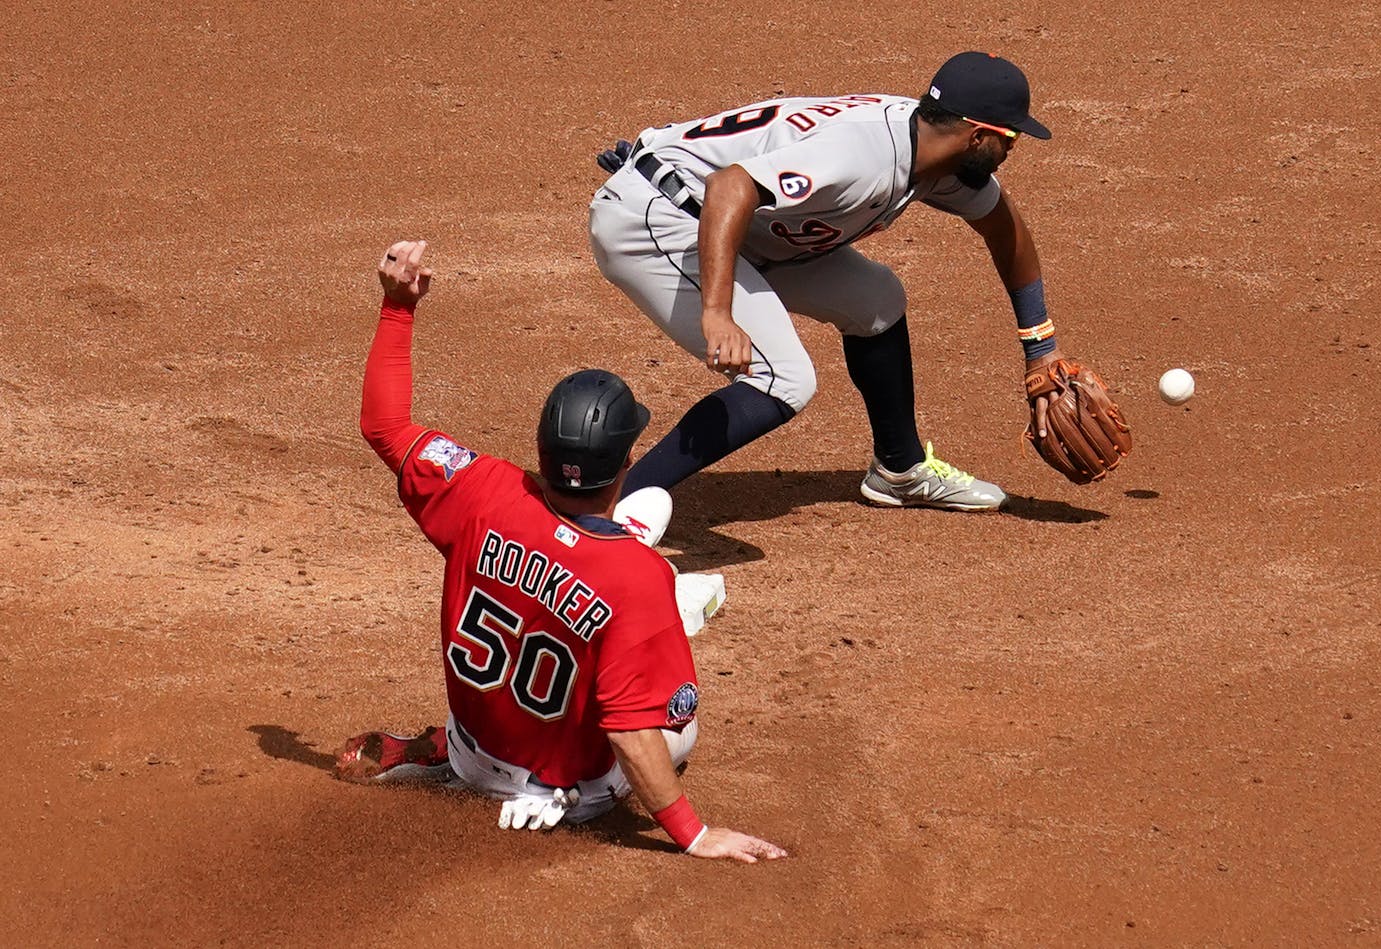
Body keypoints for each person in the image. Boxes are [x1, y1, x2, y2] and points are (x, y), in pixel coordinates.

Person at [336, 238, 785, 864]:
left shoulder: (483, 491)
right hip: (570, 793)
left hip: (474, 750)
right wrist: (694, 833)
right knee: (678, 717)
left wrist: (396, 308)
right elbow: (630, 728)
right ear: (626, 460)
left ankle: (443, 751)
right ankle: (650, 591)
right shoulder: (637, 578)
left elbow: (384, 426)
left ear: (542, 451)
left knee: (616, 565)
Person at [590, 51, 1080, 511]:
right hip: (664, 222)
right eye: (1010, 138)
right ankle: (609, 511)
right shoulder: (862, 158)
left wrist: (1041, 347)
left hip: (747, 226)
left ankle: (900, 469)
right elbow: (729, 187)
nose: (1012, 150)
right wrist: (718, 312)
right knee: (783, 378)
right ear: (976, 136)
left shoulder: (936, 155)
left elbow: (1005, 228)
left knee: (876, 301)